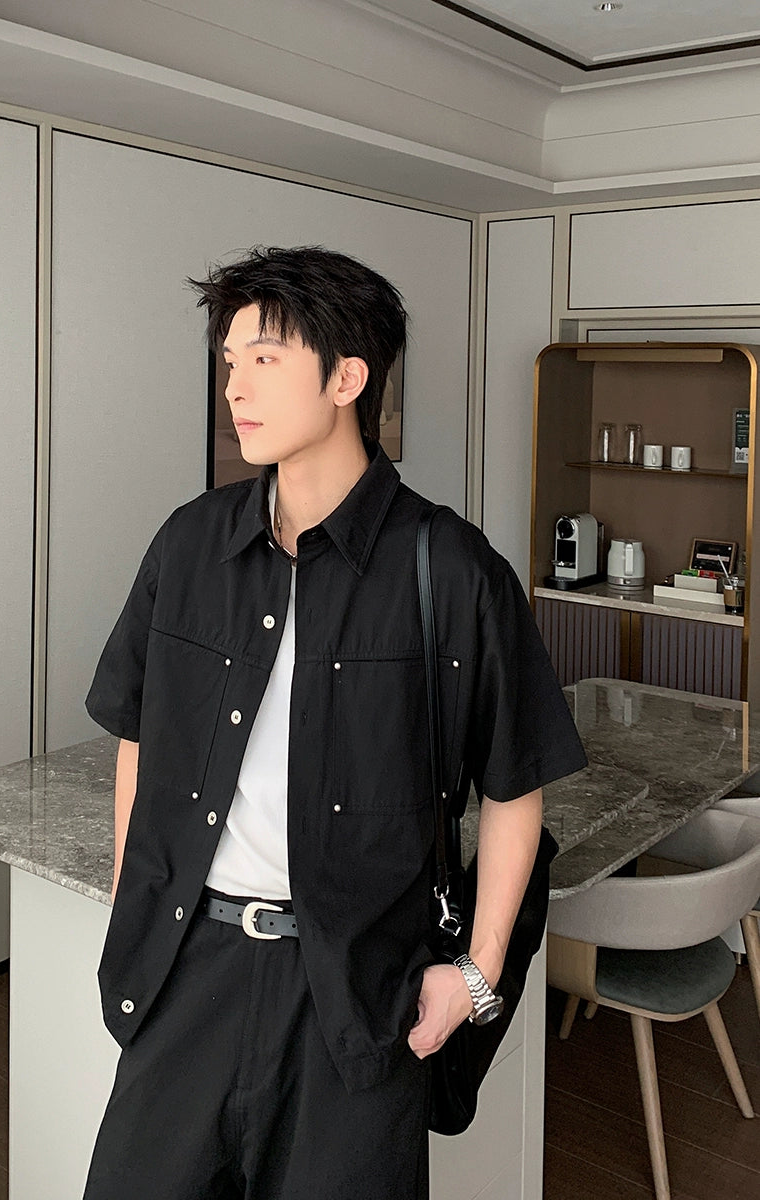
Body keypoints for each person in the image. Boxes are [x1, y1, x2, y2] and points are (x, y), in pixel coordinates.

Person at [82, 245, 586, 1200]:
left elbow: (515, 786)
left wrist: (477, 972)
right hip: (190, 969)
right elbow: (139, 737)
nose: (236, 386)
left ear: (347, 379)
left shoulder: (452, 569)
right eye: (230, 360)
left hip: (356, 991)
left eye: (265, 358)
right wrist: (131, 907)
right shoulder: (189, 544)